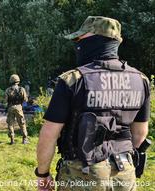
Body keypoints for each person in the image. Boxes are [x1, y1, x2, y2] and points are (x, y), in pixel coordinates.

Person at [35, 16, 150, 191]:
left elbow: (49, 134)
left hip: (83, 172)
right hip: (124, 172)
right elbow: (139, 134)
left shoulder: (73, 80)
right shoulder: (141, 80)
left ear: (92, 40)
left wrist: (43, 174)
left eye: (79, 39)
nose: (77, 44)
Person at [5, 74, 29, 144]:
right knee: (22, 123)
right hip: (19, 107)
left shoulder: (8, 90)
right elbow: (25, 100)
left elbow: (5, 101)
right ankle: (24, 139)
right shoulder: (22, 89)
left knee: (10, 123)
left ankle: (12, 140)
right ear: (18, 81)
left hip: (11, 107)